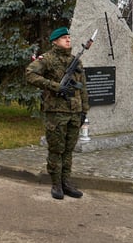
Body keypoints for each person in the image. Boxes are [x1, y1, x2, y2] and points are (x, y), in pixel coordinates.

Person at [26, 27, 90, 200]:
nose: (68, 40)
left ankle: (66, 182)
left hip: (74, 112)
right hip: (56, 112)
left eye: (69, 37)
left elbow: (82, 87)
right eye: (64, 38)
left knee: (69, 150)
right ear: (55, 41)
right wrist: (55, 86)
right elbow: (30, 74)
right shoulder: (47, 59)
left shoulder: (75, 61)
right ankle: (56, 184)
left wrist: (84, 109)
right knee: (56, 149)